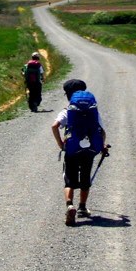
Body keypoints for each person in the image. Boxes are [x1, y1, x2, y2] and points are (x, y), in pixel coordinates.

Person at [51, 79, 107, 226]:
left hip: (71, 149)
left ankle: (70, 205)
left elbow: (54, 126)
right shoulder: (93, 111)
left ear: (68, 95)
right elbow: (101, 131)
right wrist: (101, 146)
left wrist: (60, 144)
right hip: (89, 150)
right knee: (85, 177)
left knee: (69, 179)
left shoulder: (66, 111)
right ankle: (82, 206)